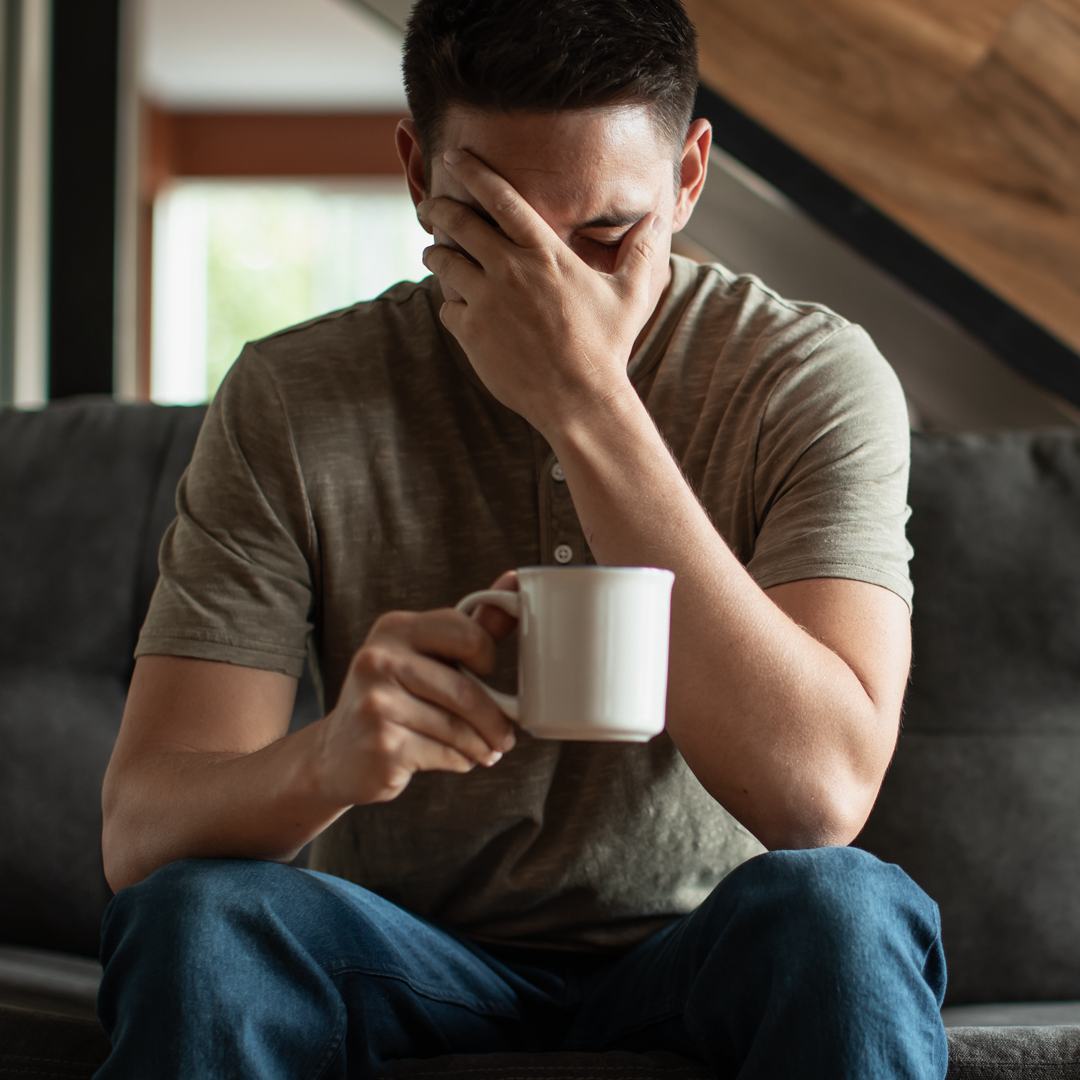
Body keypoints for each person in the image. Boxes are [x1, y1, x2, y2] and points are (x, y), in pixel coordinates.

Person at [95, 1, 947, 1077]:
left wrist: (585, 404)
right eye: (495, 236)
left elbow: (820, 795)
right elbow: (140, 837)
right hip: (399, 954)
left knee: (845, 909)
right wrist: (328, 758)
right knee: (197, 923)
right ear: (418, 172)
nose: (552, 297)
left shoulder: (805, 377)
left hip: (705, 948)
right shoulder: (294, 393)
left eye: (603, 239)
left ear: (688, 177)